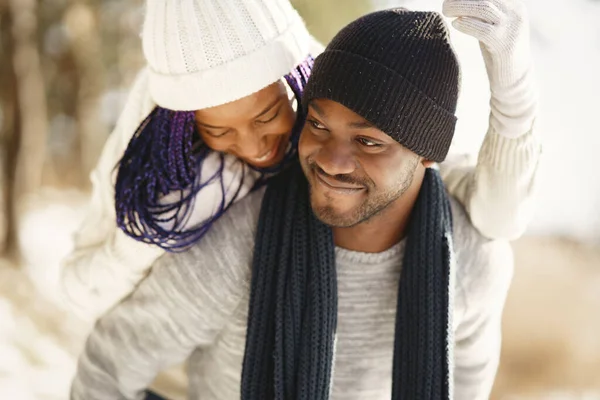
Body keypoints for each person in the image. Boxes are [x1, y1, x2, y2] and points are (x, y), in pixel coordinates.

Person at [71, 8, 514, 400]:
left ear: (427, 153)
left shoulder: (472, 263)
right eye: (318, 124)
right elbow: (107, 366)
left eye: (367, 141)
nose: (331, 160)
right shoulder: (244, 240)